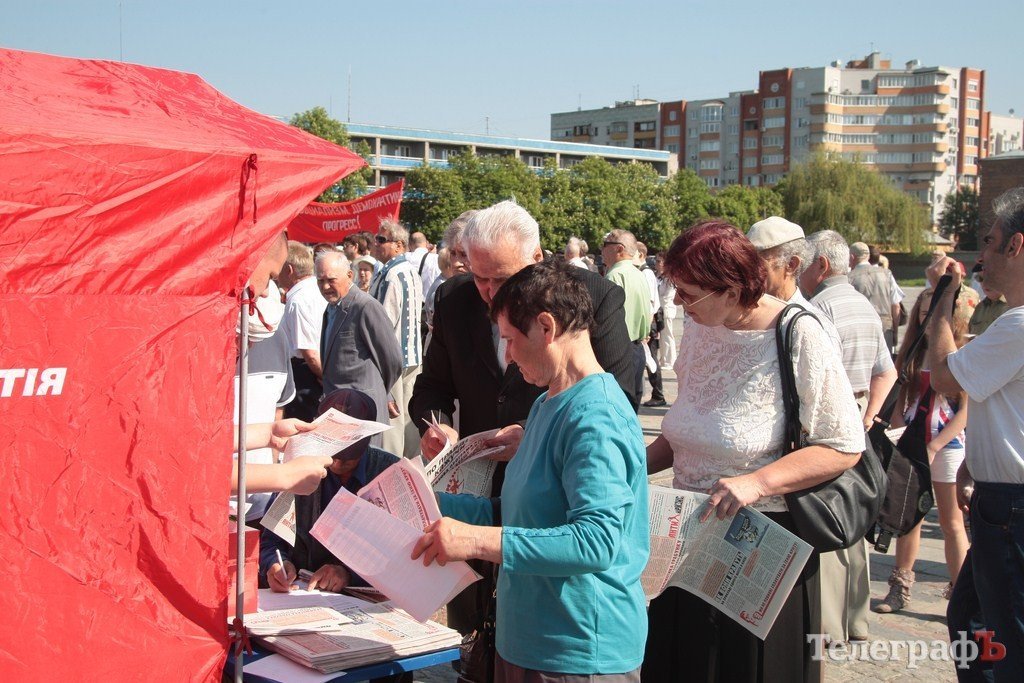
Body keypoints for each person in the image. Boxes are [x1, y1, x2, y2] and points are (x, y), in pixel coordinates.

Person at [643, 221, 864, 683]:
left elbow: (843, 445)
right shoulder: (704, 327)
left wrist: (756, 482)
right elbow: (686, 430)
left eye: (688, 293)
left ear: (732, 288)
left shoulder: (798, 332)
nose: (679, 305)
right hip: (689, 537)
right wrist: (629, 467)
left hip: (763, 543)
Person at [412, 260, 649, 681]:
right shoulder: (546, 402)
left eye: (510, 339)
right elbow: (520, 514)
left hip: (575, 652)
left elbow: (596, 542)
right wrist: (424, 501)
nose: (506, 355)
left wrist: (475, 540)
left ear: (546, 327)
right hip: (528, 643)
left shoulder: (597, 416)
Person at [931, 187, 1024, 683]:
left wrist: (942, 301)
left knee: (999, 640)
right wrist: (978, 460)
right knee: (973, 620)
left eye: (989, 243)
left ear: (1016, 246)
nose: (980, 256)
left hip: (1011, 507)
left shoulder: (1019, 325)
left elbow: (945, 376)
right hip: (1000, 500)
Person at [799, 230, 897, 642]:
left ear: (820, 265)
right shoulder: (863, 305)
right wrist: (869, 415)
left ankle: (828, 626)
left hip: (828, 423)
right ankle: (856, 619)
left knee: (827, 519)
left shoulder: (818, 308)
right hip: (857, 417)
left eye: (802, 263)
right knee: (854, 519)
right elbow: (886, 371)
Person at [873, 276, 975, 614]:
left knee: (951, 522)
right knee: (908, 519)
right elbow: (901, 397)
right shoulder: (913, 352)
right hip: (912, 445)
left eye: (936, 312)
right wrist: (899, 436)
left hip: (947, 448)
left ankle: (961, 596)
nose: (928, 319)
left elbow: (966, 411)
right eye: (924, 312)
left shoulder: (962, 351)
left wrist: (937, 445)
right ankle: (899, 588)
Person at [261, 388, 400, 593]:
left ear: (367, 439)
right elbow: (271, 541)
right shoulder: (298, 466)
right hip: (302, 593)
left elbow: (399, 556)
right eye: (332, 451)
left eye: (348, 454)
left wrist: (348, 574)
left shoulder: (389, 473)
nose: (336, 461)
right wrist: (276, 564)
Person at [316, 250, 402, 444]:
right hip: (340, 412)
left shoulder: (365, 307)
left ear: (349, 276)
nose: (325, 286)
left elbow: (393, 360)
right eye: (320, 281)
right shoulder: (331, 307)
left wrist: (380, 391)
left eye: (331, 280)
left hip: (363, 412)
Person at [371, 219, 424, 458]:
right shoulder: (411, 271)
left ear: (399, 245)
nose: (376, 243)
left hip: (392, 358)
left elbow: (382, 322)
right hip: (412, 354)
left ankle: (391, 469)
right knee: (410, 418)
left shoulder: (391, 275)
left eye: (382, 240)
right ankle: (414, 468)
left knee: (392, 421)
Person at [601, 229, 651, 411]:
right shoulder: (640, 275)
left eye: (605, 245)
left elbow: (607, 317)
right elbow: (648, 313)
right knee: (632, 407)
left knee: (617, 407)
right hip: (638, 348)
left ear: (619, 249)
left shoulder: (614, 276)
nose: (601, 251)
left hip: (619, 351)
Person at [277, 241, 327, 422]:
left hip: (308, 378)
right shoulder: (317, 291)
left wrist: (326, 379)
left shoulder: (299, 300)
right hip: (318, 373)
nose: (275, 273)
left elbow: (309, 353)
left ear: (289, 270)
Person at [848, 241, 899, 353]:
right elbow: (896, 306)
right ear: (868, 256)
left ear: (851, 257)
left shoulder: (849, 278)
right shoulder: (887, 274)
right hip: (885, 327)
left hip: (861, 329)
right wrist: (895, 331)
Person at [653, 252, 678, 370]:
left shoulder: (670, 278)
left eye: (659, 261)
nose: (656, 264)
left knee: (667, 335)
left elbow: (666, 295)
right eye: (656, 261)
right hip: (660, 309)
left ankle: (669, 360)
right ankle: (663, 359)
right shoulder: (658, 276)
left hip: (667, 309)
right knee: (662, 336)